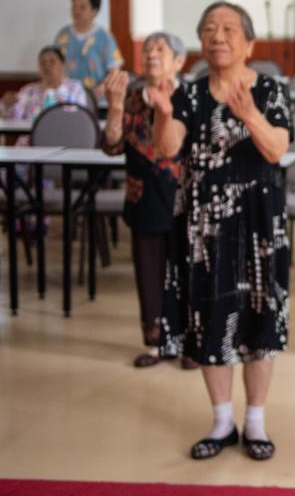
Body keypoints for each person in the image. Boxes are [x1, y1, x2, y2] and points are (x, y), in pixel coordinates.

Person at [153, 2, 292, 461]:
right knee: (210, 319)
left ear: (249, 43)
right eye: (209, 28)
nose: (218, 36)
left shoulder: (271, 90)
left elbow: (274, 151)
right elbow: (168, 147)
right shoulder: (189, 95)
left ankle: (256, 423)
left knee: (258, 318)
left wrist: (250, 114)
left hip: (257, 223)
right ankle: (221, 422)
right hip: (203, 227)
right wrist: (160, 109)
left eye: (229, 28)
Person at [101, 32, 196, 370]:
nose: (152, 54)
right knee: (149, 271)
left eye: (161, 49)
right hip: (143, 194)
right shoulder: (130, 98)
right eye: (149, 49)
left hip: (185, 194)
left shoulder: (191, 97)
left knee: (185, 270)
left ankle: (188, 342)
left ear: (179, 61)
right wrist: (114, 107)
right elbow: (111, 145)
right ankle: (155, 343)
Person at [2, 46, 89, 145]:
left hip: (64, 140)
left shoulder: (74, 88)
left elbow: (79, 118)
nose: (47, 66)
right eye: (43, 63)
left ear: (62, 66)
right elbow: (13, 119)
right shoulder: (28, 90)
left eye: (52, 62)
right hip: (30, 142)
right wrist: (8, 106)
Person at [53, 0, 123, 91]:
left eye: (82, 7)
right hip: (68, 97)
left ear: (94, 11)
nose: (76, 10)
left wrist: (98, 92)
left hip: (99, 98)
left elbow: (114, 71)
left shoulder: (104, 36)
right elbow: (55, 66)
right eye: (74, 6)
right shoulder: (62, 35)